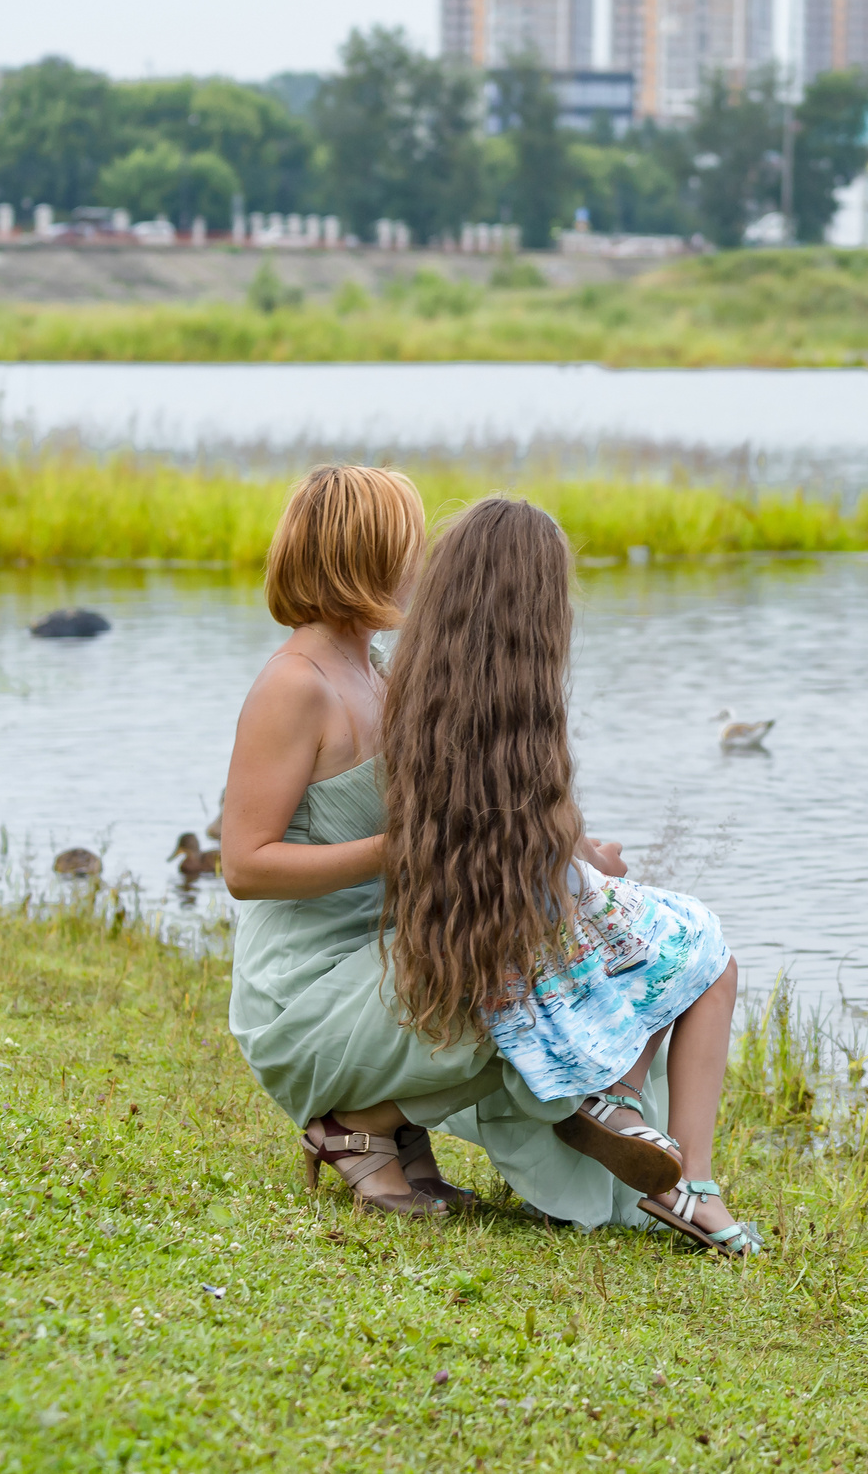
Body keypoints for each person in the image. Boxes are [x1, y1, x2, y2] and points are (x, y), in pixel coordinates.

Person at [221, 467, 673, 1225]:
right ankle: (356, 1123)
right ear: (362, 556)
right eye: (410, 545)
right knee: (508, 977)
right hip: (303, 991)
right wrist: (391, 851)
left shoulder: (381, 675)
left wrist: (571, 851)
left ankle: (399, 1124)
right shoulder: (294, 685)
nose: (422, 564)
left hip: (382, 957)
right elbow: (244, 866)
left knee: (561, 947)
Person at [382, 496, 761, 1255]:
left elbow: (489, 827)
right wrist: (588, 861)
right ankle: (687, 1178)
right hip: (525, 939)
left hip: (457, 928)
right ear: (540, 611)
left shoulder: (407, 688)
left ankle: (617, 1100)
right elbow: (534, 835)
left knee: (635, 916)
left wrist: (578, 857)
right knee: (705, 950)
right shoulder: (523, 708)